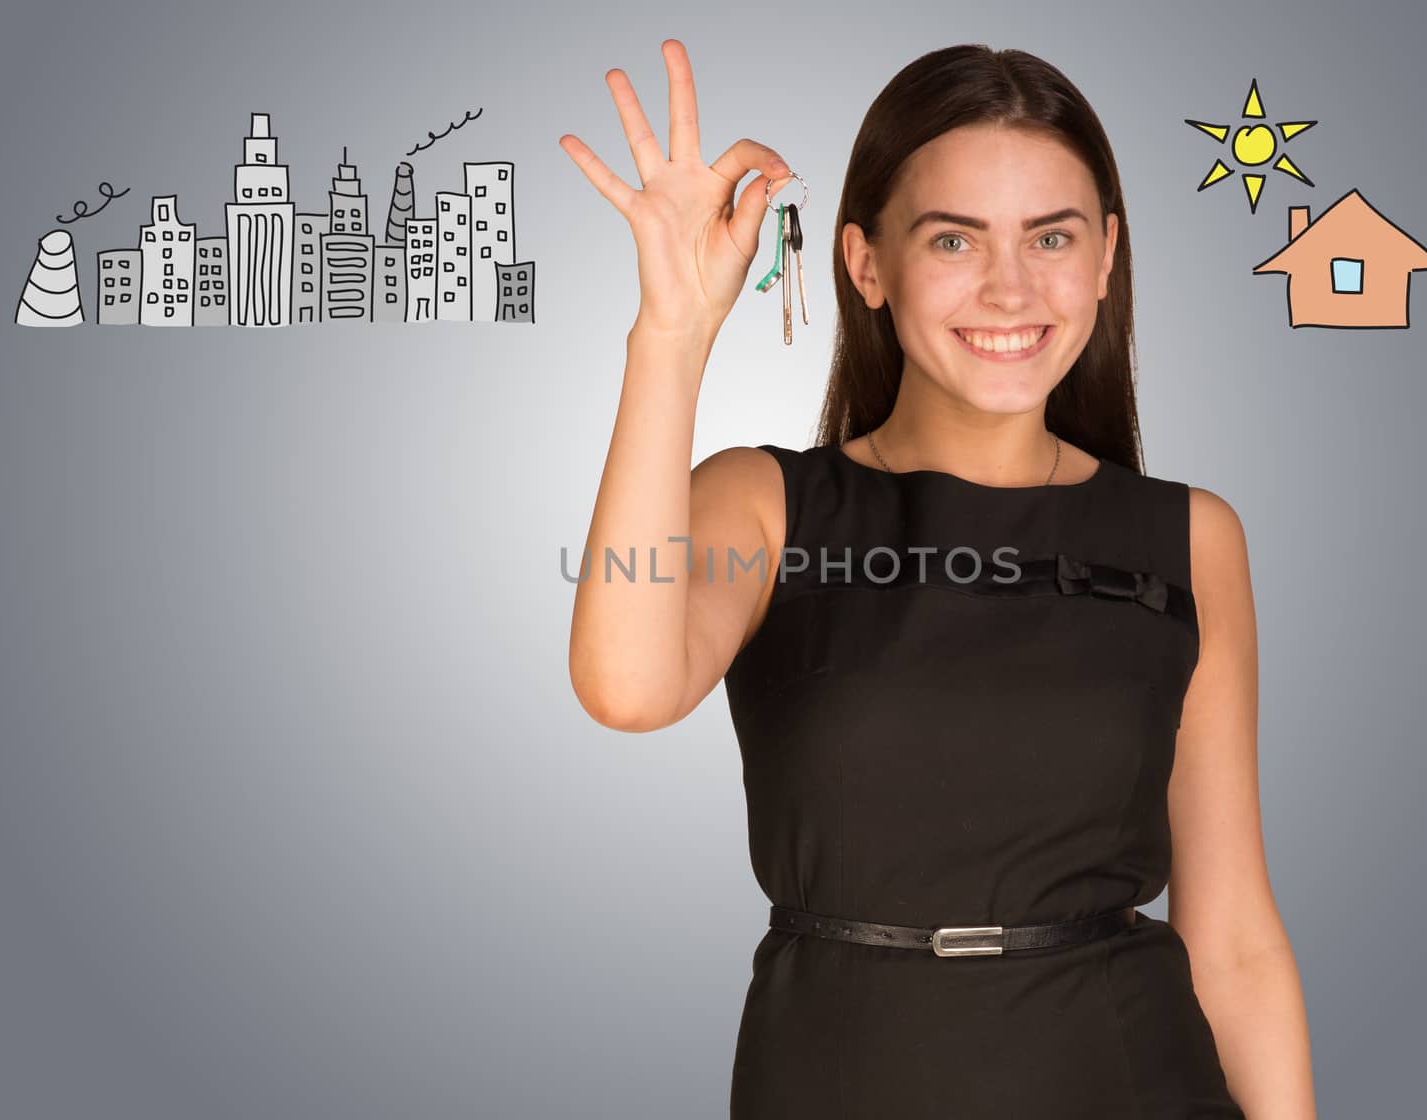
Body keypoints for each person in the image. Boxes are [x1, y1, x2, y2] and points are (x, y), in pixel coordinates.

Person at [562, 38, 1316, 1117]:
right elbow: (626, 687)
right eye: (954, 238)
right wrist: (672, 335)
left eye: (1050, 236)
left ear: (1106, 257)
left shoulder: (1191, 537)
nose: (1010, 286)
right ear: (865, 263)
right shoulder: (764, 505)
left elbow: (1234, 933)